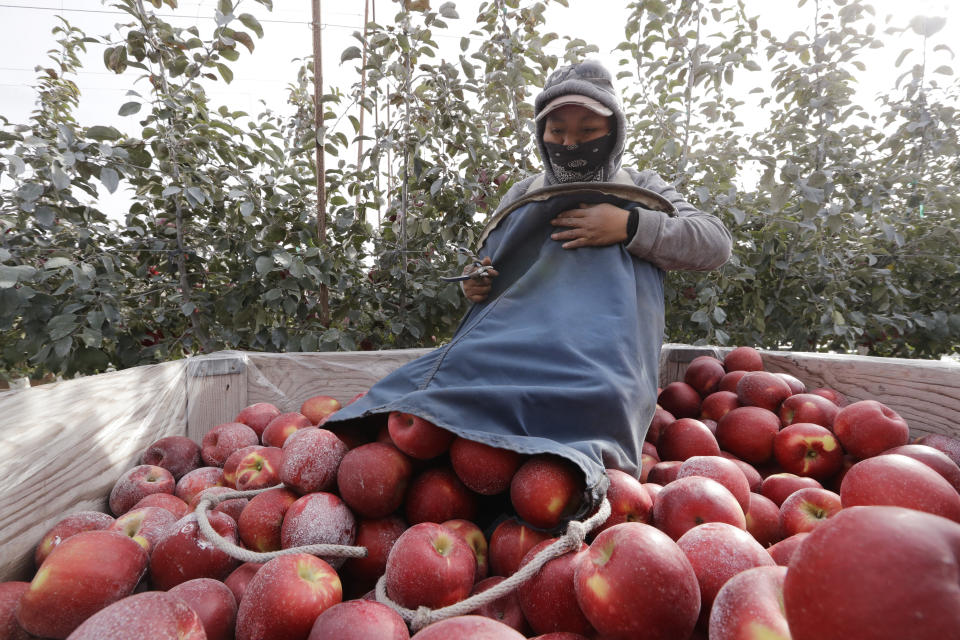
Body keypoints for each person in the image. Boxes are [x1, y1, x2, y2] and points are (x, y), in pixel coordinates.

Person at [324, 59, 731, 513]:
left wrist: (629, 225)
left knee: (592, 418)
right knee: (439, 392)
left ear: (614, 130)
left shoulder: (640, 189)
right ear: (542, 135)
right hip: (519, 347)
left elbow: (714, 243)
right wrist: (477, 286)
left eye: (587, 129)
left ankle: (554, 483)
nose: (571, 142)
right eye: (557, 132)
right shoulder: (524, 193)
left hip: (603, 359)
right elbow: (492, 269)